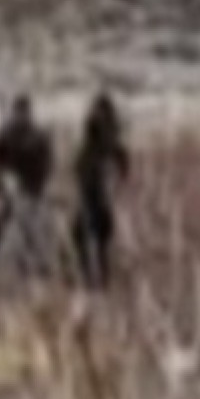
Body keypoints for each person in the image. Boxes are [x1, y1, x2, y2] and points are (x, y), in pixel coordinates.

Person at [0, 95, 56, 277]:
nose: (21, 117)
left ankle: (41, 265)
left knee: (32, 228)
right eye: (18, 113)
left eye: (23, 113)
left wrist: (37, 187)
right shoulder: (6, 134)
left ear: (29, 114)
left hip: (31, 188)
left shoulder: (37, 136)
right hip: (11, 186)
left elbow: (47, 163)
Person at [71, 92, 131, 289]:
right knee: (98, 236)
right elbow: (122, 160)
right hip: (97, 186)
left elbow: (86, 157)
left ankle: (90, 276)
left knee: (85, 233)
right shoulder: (111, 137)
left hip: (93, 186)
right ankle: (100, 277)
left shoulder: (99, 132)